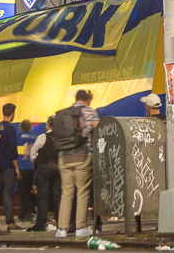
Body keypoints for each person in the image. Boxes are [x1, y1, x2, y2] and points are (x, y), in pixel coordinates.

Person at [55, 89, 100, 239]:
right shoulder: (89, 111)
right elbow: (99, 129)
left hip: (63, 157)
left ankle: (61, 228)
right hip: (82, 156)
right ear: (87, 99)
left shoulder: (63, 113)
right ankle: (80, 227)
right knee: (82, 191)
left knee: (67, 192)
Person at [0, 103, 21, 232]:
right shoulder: (10, 129)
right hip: (8, 166)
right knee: (8, 194)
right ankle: (10, 223)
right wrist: (17, 168)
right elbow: (13, 150)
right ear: (12, 113)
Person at [27, 116, 62, 232]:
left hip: (44, 168)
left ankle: (41, 223)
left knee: (42, 196)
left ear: (48, 125)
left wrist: (36, 162)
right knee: (58, 196)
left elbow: (33, 152)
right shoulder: (60, 138)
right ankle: (60, 222)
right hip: (57, 168)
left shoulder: (42, 137)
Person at [17, 119, 37, 226]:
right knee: (30, 191)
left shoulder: (17, 137)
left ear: (21, 127)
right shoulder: (34, 138)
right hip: (32, 167)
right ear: (30, 127)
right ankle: (32, 211)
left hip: (21, 168)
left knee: (22, 192)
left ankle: (24, 213)